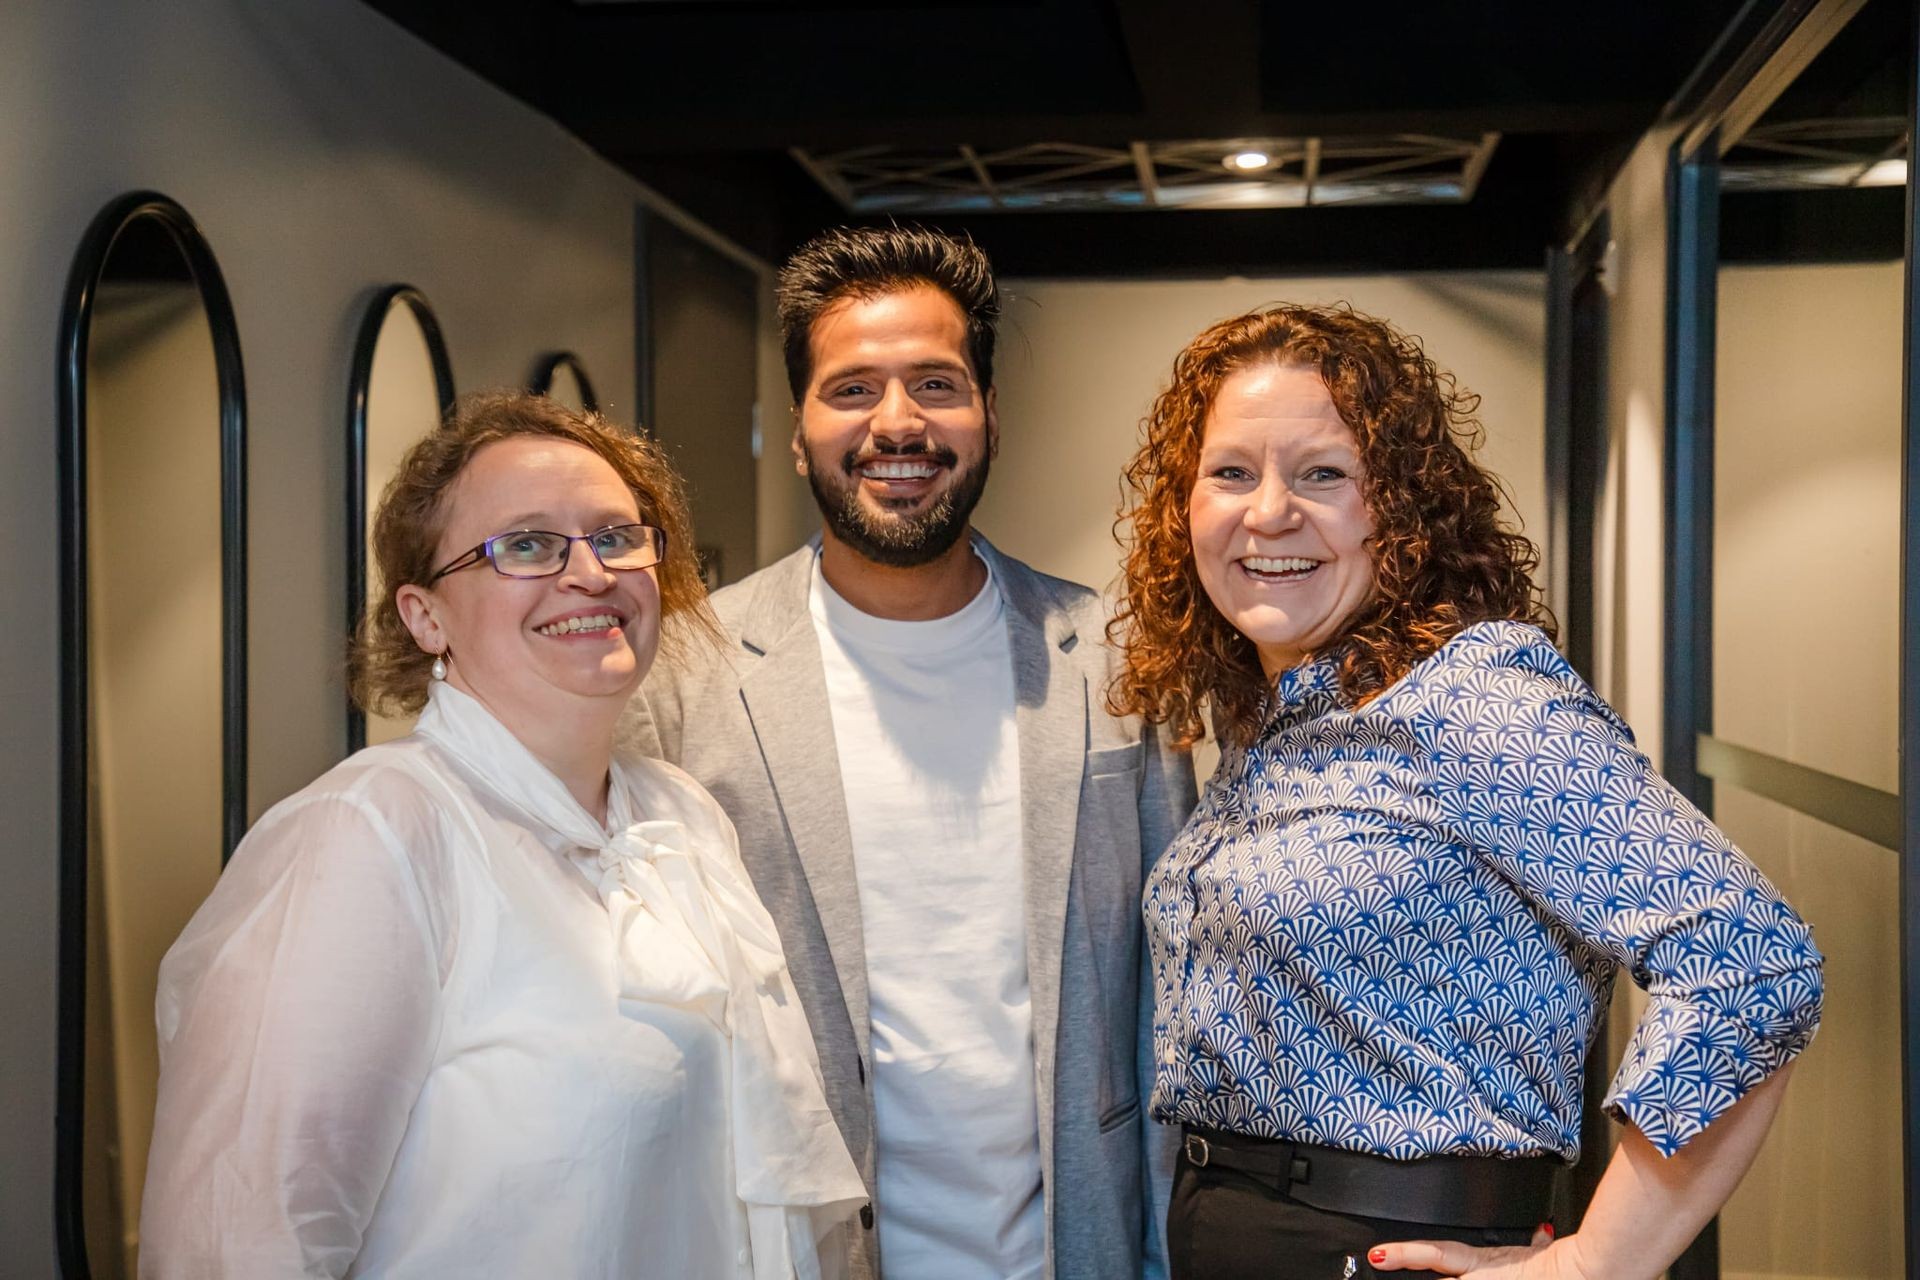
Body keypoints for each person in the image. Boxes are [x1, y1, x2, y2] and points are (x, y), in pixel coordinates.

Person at [1107, 304, 1824, 1280]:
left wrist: (1597, 1262)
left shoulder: (1473, 694)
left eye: (1323, 473)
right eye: (1232, 472)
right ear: (1183, 507)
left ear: (1396, 506)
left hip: (1379, 1247)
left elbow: (1752, 963)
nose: (1269, 510)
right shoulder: (1278, 721)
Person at [140, 392, 865, 1279]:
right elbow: (241, 1242)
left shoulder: (680, 819)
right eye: (525, 546)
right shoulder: (371, 836)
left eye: (614, 536)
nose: (590, 574)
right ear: (424, 616)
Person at [623, 225, 1197, 1280]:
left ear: (986, 417)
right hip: (800, 1251)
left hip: (1079, 1246)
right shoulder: (688, 678)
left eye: (936, 382)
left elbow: (1171, 1001)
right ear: (798, 431)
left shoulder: (1114, 663)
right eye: (851, 389)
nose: (897, 422)